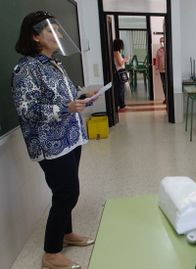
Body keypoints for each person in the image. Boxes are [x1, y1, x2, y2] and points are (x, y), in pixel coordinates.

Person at [12, 11, 96, 269]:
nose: (58, 34)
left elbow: (67, 95)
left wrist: (84, 95)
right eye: (51, 30)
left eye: (59, 30)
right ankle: (51, 252)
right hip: (50, 144)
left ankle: (66, 233)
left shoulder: (54, 63)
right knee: (66, 193)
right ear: (35, 37)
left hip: (70, 137)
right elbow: (26, 110)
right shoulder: (26, 69)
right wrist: (64, 109)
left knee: (69, 190)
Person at [113, 38, 129, 110]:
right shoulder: (116, 52)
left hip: (120, 71)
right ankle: (121, 105)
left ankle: (121, 104)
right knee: (120, 89)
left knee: (121, 88)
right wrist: (125, 59)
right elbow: (120, 63)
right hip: (119, 72)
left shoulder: (117, 52)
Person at [155, 36, 167, 104]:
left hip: (167, 71)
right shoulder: (158, 51)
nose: (162, 43)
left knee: (168, 85)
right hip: (161, 71)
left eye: (163, 41)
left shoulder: (168, 49)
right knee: (164, 85)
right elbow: (157, 60)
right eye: (161, 41)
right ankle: (166, 98)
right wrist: (156, 69)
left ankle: (169, 98)